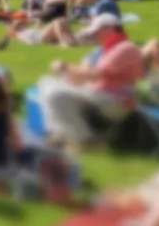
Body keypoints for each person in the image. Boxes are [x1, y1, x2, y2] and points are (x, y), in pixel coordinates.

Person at [36, 14, 144, 146]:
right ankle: (60, 132)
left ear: (110, 28)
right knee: (46, 83)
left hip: (116, 100)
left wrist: (65, 68)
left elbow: (97, 75)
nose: (95, 35)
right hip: (102, 94)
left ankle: (84, 139)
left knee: (56, 95)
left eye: (97, 31)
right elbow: (87, 70)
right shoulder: (109, 48)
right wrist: (70, 72)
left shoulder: (125, 48)